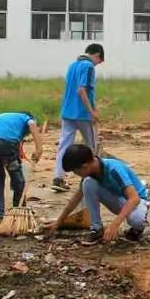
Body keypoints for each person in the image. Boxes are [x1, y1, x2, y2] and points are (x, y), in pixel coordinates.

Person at [47, 144, 149, 246]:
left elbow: (134, 198)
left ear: (84, 166)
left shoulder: (114, 169)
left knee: (137, 220)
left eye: (75, 171)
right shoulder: (90, 174)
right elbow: (76, 198)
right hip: (119, 201)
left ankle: (136, 230)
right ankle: (96, 229)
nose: (75, 174)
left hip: (137, 201)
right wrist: (58, 222)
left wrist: (115, 224)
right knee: (88, 183)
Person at [53, 44, 104, 192]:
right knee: (91, 146)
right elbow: (82, 90)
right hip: (82, 113)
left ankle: (58, 178)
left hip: (67, 112)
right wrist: (92, 111)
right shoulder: (88, 67)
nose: (97, 64)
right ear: (96, 54)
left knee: (64, 145)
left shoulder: (72, 66)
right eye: (99, 61)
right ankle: (94, 177)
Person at [0, 112, 42, 220]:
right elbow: (32, 124)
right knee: (17, 178)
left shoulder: (2, 116)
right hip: (7, 143)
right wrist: (39, 149)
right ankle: (19, 209)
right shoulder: (27, 118)